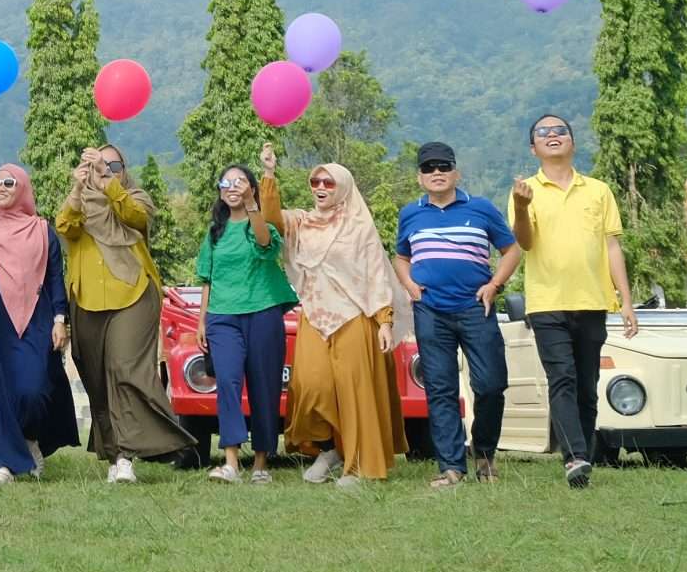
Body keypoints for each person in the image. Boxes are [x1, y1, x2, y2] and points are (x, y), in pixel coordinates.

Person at [509, 113, 641, 489]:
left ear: (572, 142)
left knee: (586, 383)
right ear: (533, 148)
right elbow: (525, 242)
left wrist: (626, 300)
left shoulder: (598, 190)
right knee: (562, 378)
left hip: (593, 300)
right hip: (547, 303)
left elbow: (612, 247)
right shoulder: (525, 191)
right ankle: (574, 457)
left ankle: (583, 457)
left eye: (560, 131)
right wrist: (521, 207)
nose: (552, 135)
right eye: (543, 132)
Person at [265, 146, 404, 487]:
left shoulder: (359, 228)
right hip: (315, 315)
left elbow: (376, 275)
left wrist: (385, 320)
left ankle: (359, 465)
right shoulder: (302, 221)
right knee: (311, 386)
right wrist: (268, 174)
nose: (320, 187)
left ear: (342, 187)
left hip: (354, 315)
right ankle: (329, 450)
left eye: (328, 182)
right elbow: (271, 219)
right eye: (315, 182)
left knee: (355, 394)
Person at [56, 143, 195, 483]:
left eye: (114, 165)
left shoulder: (135, 197)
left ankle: (131, 455)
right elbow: (65, 227)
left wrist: (109, 183)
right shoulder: (80, 204)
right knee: (96, 378)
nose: (106, 170)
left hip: (133, 294)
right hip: (86, 299)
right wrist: (77, 188)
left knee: (124, 368)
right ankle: (115, 454)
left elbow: (136, 218)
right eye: (98, 166)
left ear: (123, 169)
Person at [395, 141, 522, 489]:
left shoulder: (480, 208)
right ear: (420, 177)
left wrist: (494, 285)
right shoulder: (410, 214)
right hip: (431, 311)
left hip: (475, 308)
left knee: (491, 384)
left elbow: (512, 250)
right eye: (428, 168)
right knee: (440, 389)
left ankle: (484, 452)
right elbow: (401, 257)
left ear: (456, 173)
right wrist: (410, 285)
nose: (436, 173)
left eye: (443, 166)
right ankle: (451, 467)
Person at [0, 163, 79, 488]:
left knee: (32, 389)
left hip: (33, 322)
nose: (0, 187)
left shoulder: (42, 230)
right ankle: (5, 465)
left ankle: (30, 439)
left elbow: (55, 277)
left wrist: (60, 318)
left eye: (9, 182)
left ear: (22, 188)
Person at [194, 162, 297, 484]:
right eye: (225, 183)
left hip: (263, 312)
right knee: (227, 381)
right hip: (222, 317)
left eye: (239, 182)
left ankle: (261, 463)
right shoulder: (214, 232)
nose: (232, 187)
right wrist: (202, 320)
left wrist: (254, 206)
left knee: (264, 386)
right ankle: (231, 462)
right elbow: (207, 279)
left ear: (251, 188)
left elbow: (265, 244)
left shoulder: (260, 224)